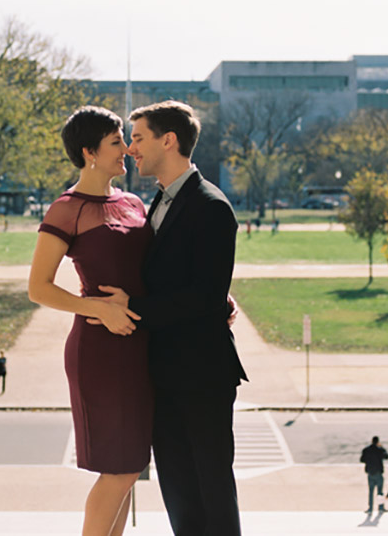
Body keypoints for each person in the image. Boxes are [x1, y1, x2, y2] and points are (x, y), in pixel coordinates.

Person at [100, 100, 247, 535]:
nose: (131, 149)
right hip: (163, 375)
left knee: (212, 491)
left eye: (139, 138)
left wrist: (130, 308)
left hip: (202, 376)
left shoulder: (211, 206)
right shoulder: (157, 202)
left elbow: (203, 296)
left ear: (170, 140)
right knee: (179, 493)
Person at [28, 106, 152, 536]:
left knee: (131, 468)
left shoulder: (134, 203)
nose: (128, 149)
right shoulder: (67, 209)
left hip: (140, 347)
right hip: (100, 353)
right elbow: (38, 287)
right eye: (117, 141)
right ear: (89, 152)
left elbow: (156, 267)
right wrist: (98, 308)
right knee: (118, 469)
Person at [360, 435, 388, 514]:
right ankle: (381, 507)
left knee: (371, 491)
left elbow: (362, 459)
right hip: (378, 472)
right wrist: (382, 447)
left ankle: (370, 508)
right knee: (380, 491)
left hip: (370, 472)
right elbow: (386, 456)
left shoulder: (366, 450)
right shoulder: (380, 450)